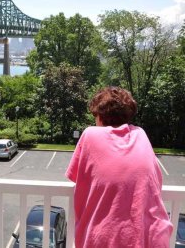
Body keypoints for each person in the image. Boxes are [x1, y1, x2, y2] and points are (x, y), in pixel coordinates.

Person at [65, 86, 172, 248]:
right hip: (151, 237)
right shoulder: (140, 134)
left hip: (105, 239)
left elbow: (75, 176)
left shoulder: (90, 135)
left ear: (100, 116)